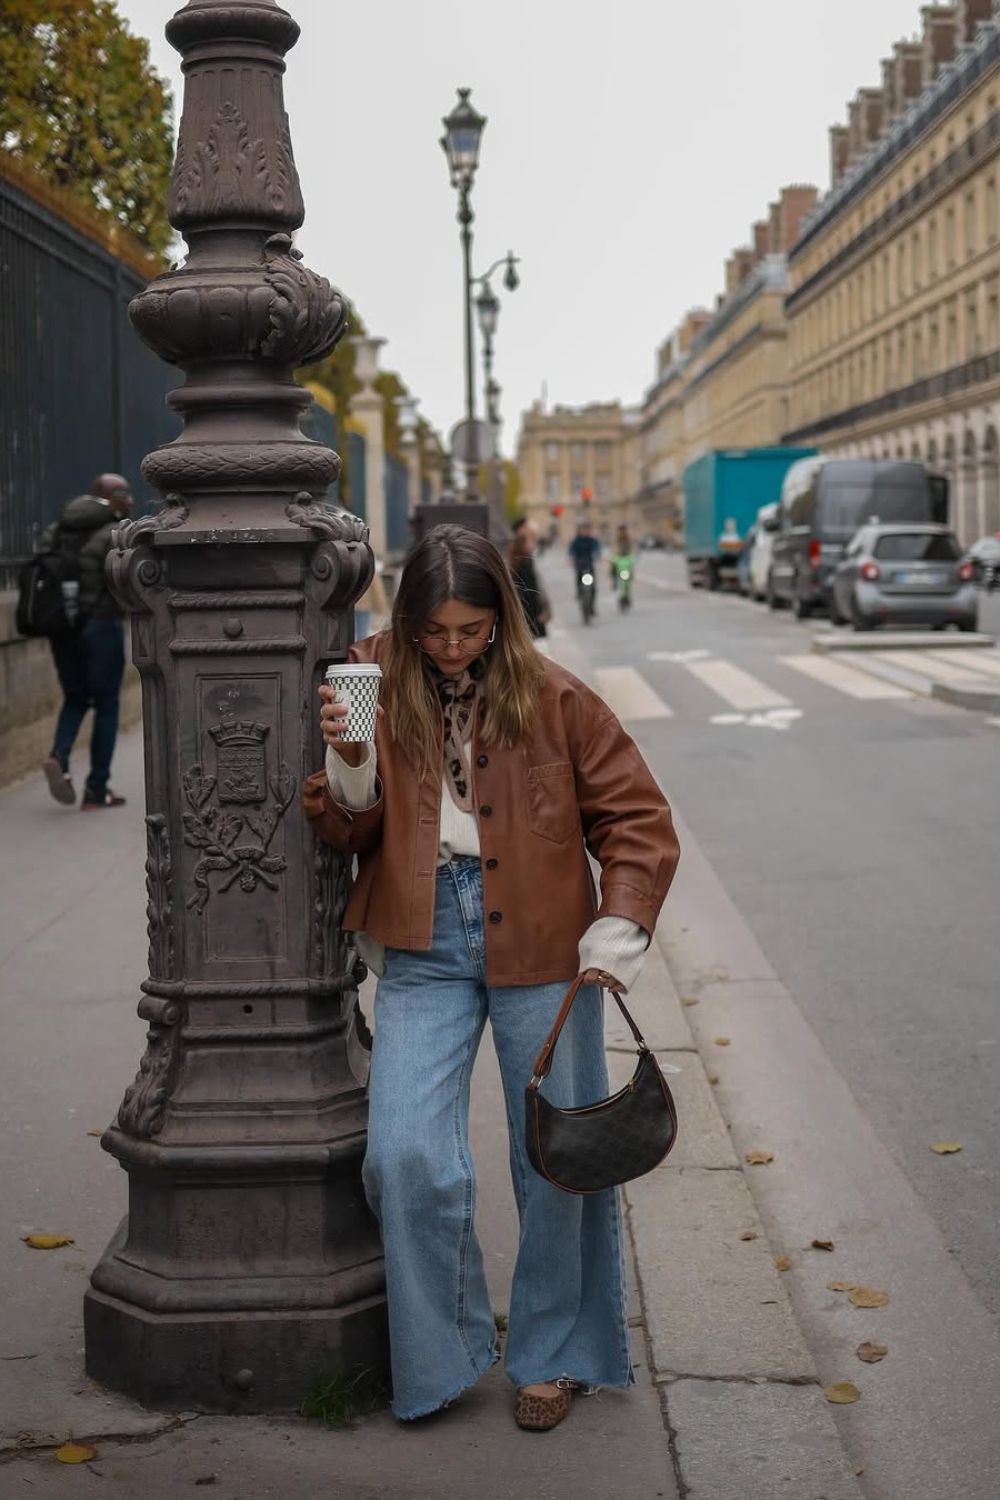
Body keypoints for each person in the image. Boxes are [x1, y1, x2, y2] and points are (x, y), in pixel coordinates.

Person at [303, 524, 680, 1431]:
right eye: (435, 632)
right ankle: (444, 1351)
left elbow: (636, 816)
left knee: (556, 1159)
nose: (452, 648)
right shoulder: (367, 675)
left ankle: (556, 1354)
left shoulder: (553, 694)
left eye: (471, 631)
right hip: (422, 939)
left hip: (547, 946)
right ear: (409, 619)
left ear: (500, 620)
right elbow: (346, 831)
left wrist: (614, 933)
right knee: (404, 1155)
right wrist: (349, 759)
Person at [41, 473, 133, 808]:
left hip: (62, 629)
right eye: (125, 493)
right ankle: (97, 789)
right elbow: (125, 580)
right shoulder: (113, 531)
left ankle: (59, 756)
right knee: (107, 706)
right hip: (101, 627)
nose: (132, 500)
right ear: (108, 497)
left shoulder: (57, 528)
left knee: (75, 698)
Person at [507, 516, 550, 639]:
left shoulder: (522, 560)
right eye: (531, 540)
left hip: (530, 617)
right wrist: (539, 613)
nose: (534, 543)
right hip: (531, 618)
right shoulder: (523, 563)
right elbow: (529, 592)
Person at [568, 521, 601, 606]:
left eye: (586, 530)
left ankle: (592, 605)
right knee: (578, 579)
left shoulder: (591, 540)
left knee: (593, 586)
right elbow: (571, 550)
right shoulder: (576, 541)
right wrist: (571, 557)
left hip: (589, 564)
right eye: (582, 530)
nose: (584, 531)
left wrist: (598, 554)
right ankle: (579, 592)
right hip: (579, 564)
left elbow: (597, 547)